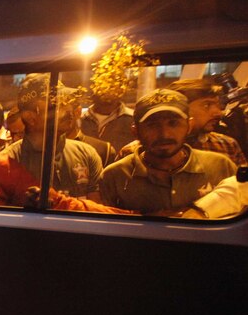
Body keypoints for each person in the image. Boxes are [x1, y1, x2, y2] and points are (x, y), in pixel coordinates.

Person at [100, 89, 236, 215]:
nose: (164, 134)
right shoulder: (115, 176)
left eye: (173, 123)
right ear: (135, 131)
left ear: (189, 126)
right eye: (152, 125)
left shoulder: (220, 166)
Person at [2, 74, 104, 200]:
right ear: (31, 117)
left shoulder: (86, 154)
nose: (68, 110)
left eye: (66, 102)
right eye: (56, 105)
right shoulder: (8, 162)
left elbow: (95, 212)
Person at [117, 79, 247, 166]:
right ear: (182, 108)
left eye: (217, 105)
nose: (218, 113)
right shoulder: (134, 152)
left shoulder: (227, 145)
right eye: (207, 105)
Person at [57, 87, 117, 167]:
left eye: (64, 109)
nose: (58, 115)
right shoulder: (44, 148)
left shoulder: (103, 150)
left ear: (78, 112)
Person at [79, 81, 136, 151]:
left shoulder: (133, 119)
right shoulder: (79, 119)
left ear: (121, 92)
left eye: (112, 87)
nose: (107, 93)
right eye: (102, 88)